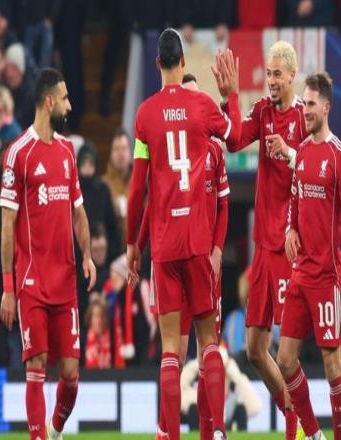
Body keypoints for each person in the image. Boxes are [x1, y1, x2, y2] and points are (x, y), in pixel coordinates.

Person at [126, 28, 241, 440]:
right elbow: (237, 138)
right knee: (208, 341)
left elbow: (136, 191)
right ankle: (217, 432)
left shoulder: (144, 116)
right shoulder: (202, 105)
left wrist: (132, 245)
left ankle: (171, 435)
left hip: (163, 245)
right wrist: (231, 96)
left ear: (158, 63)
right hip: (197, 243)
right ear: (184, 62)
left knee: (170, 349)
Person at [0, 67, 96, 440]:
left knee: (70, 376)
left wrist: (86, 255)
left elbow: (78, 211)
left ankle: (54, 430)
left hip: (65, 281)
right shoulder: (17, 154)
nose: (70, 106)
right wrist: (9, 287)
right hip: (32, 282)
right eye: (66, 98)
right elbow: (8, 225)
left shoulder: (68, 151)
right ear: (50, 101)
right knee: (36, 367)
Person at [215, 40, 306, 440]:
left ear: (292, 75)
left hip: (288, 246)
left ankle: (297, 425)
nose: (271, 80)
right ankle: (293, 412)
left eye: (277, 74)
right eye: (268, 73)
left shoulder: (304, 116)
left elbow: (319, 166)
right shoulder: (263, 112)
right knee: (254, 349)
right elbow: (235, 139)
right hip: (262, 249)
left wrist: (290, 153)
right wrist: (230, 98)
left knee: (287, 354)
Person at [277, 73, 341, 440]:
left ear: (326, 108)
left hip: (327, 277)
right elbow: (294, 201)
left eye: (310, 105)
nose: (305, 111)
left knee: (331, 363)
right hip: (301, 274)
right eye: (304, 104)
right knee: (284, 360)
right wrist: (289, 229)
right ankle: (313, 434)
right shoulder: (303, 152)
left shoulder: (339, 156)